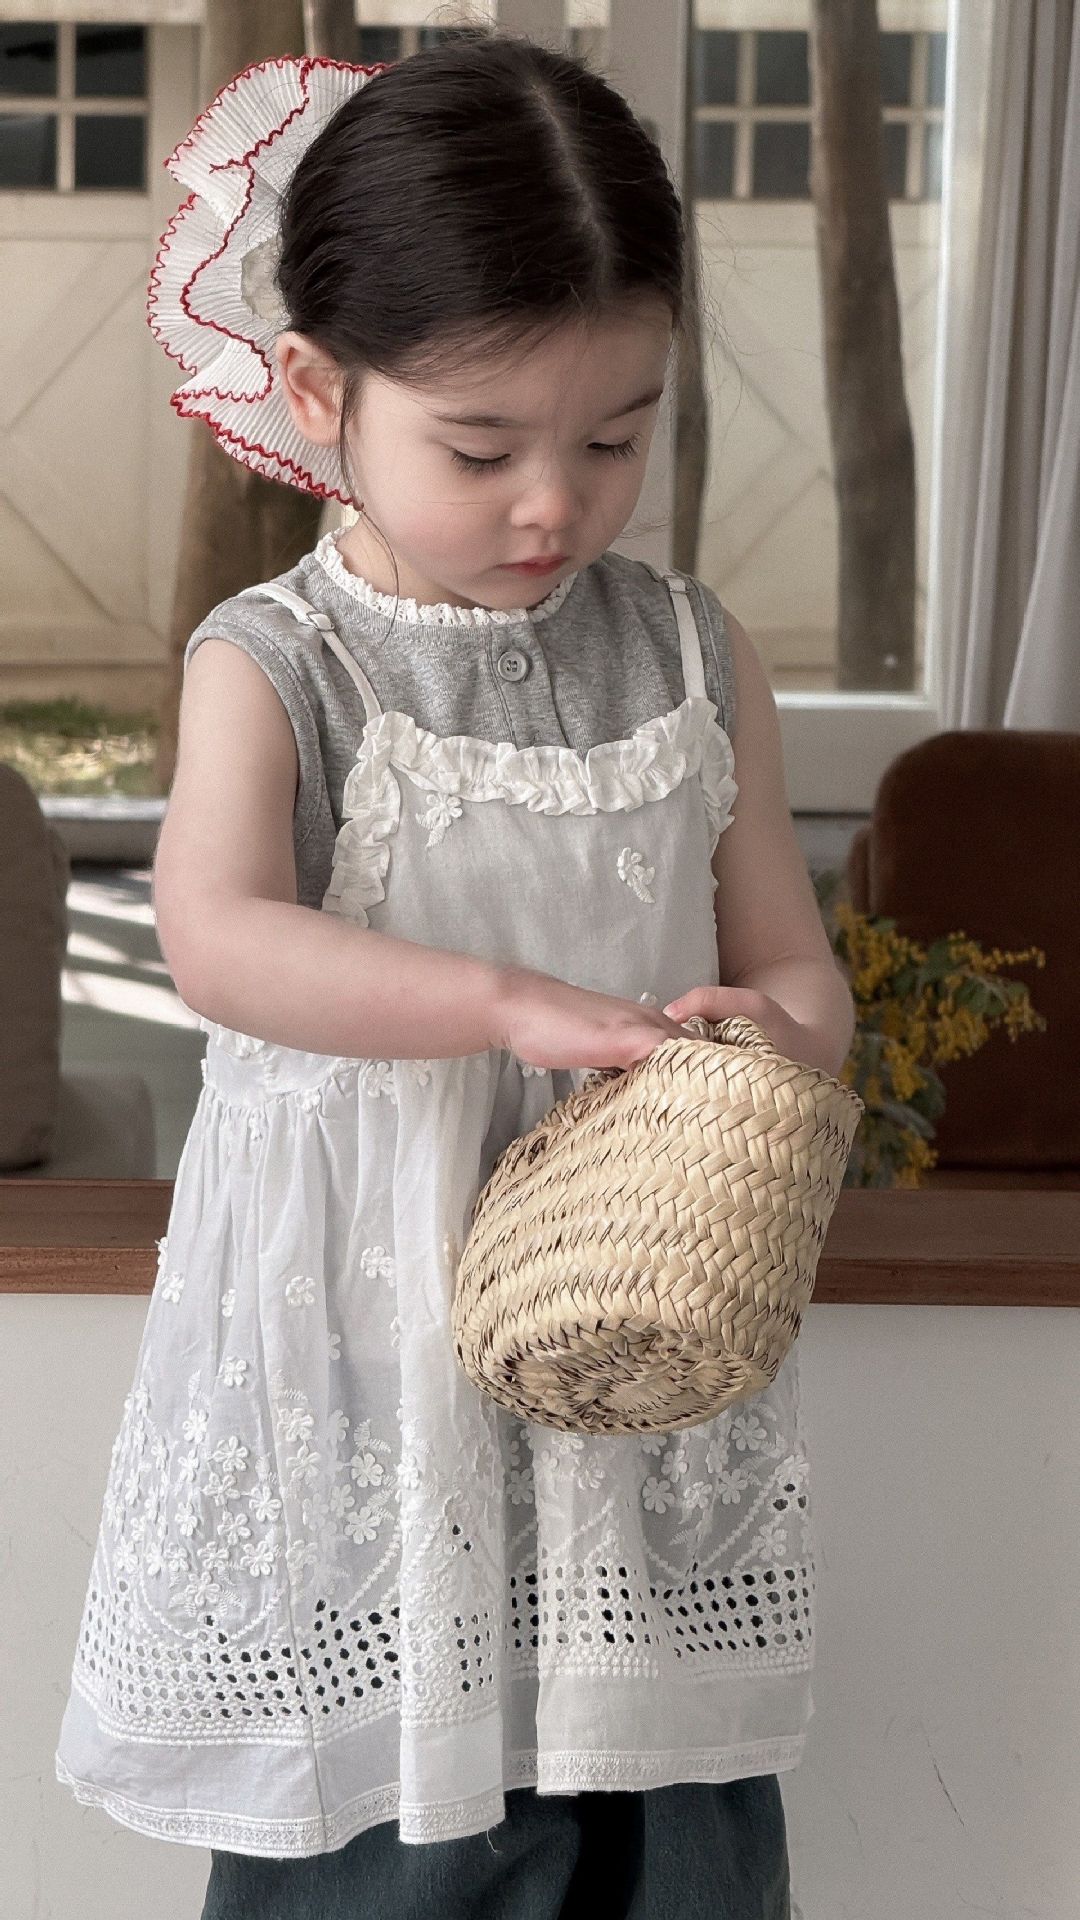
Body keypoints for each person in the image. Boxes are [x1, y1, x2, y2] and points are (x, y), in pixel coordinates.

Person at [54, 28, 854, 1920]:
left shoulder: (689, 648)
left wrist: (770, 1038)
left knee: (659, 1817)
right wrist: (502, 1004)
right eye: (480, 450)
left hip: (630, 1320)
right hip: (373, 1353)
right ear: (318, 391)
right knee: (401, 1832)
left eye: (617, 437)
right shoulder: (278, 661)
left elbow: (797, 969)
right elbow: (216, 934)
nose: (552, 507)